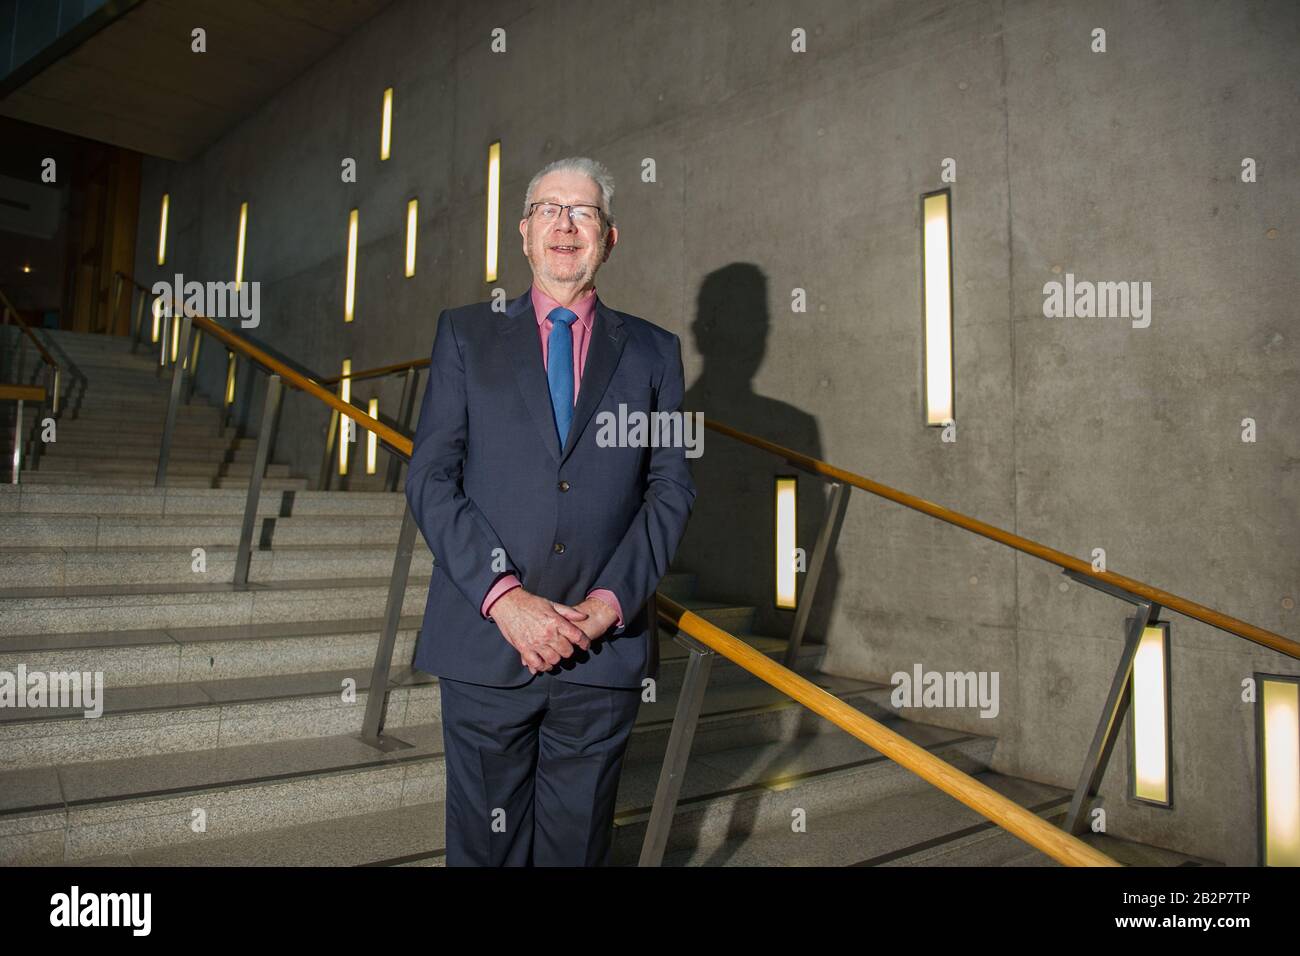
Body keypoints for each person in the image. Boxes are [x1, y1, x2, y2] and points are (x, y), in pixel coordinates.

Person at [405, 156, 696, 866]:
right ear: (524, 235)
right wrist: (505, 599)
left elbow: (671, 488)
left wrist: (608, 604)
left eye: (584, 212)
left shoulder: (655, 353)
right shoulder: (465, 335)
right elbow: (431, 478)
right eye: (549, 210)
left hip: (601, 651)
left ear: (610, 237)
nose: (566, 224)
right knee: (486, 850)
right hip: (487, 642)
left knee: (578, 849)